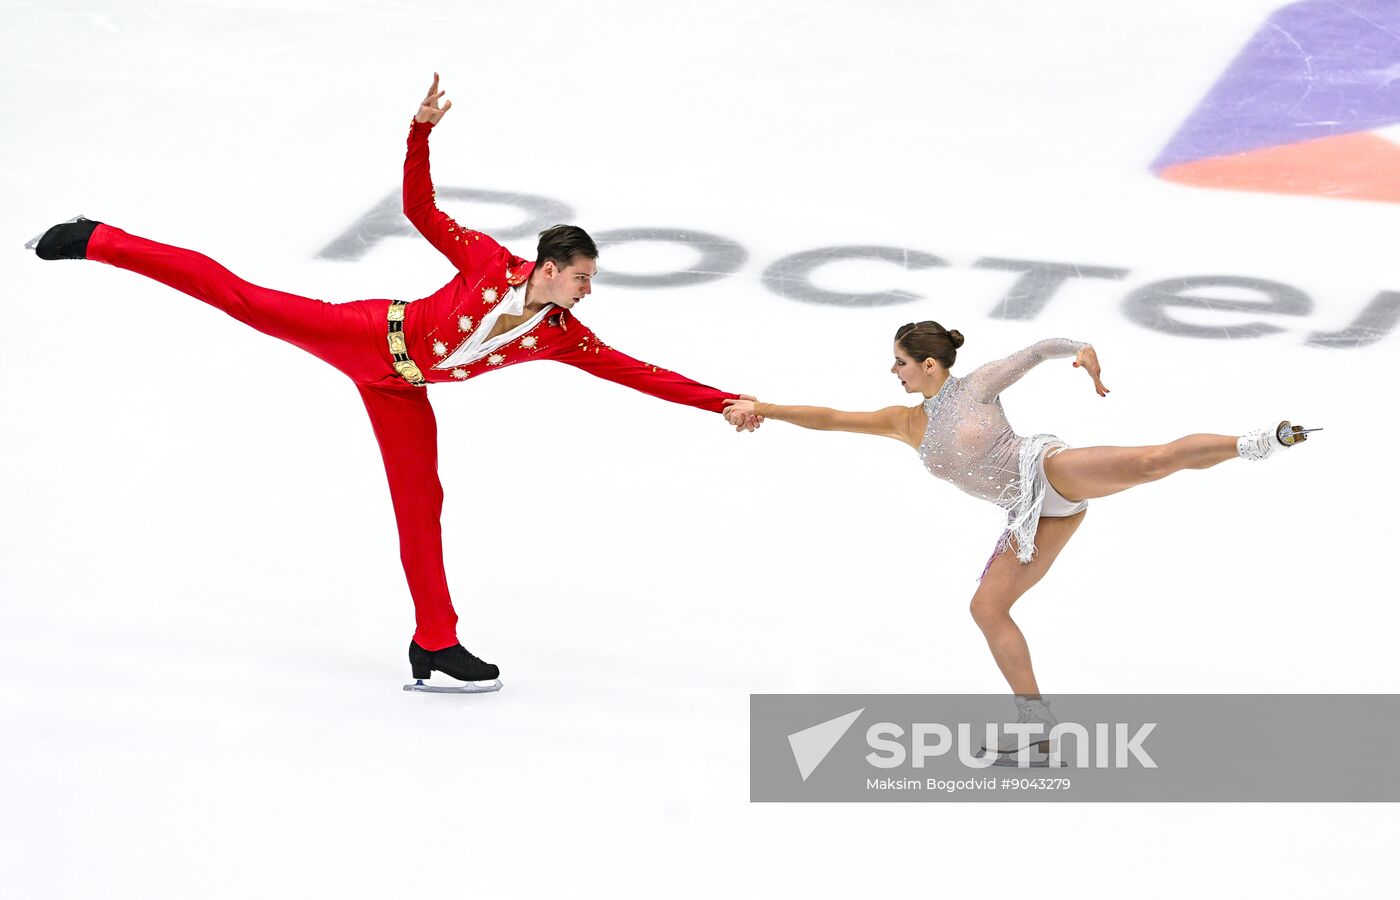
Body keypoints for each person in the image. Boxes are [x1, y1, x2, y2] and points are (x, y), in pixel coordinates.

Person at [26, 73, 760, 692]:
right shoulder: (484, 261)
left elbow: (643, 374)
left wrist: (721, 399)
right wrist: (420, 132)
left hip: (402, 390)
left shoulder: (560, 335)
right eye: (582, 279)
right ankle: (98, 238)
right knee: (242, 299)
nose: (588, 292)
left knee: (422, 505)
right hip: (367, 334)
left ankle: (435, 640)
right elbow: (418, 210)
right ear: (546, 268)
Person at [722, 321, 1318, 753]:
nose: (893, 370)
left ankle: (1256, 442)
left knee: (1147, 462)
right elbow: (829, 417)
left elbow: (1037, 350)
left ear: (930, 365)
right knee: (987, 607)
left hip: (1045, 470)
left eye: (900, 361)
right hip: (1032, 516)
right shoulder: (903, 423)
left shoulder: (977, 385)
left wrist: (1081, 350)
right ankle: (1037, 724)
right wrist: (764, 407)